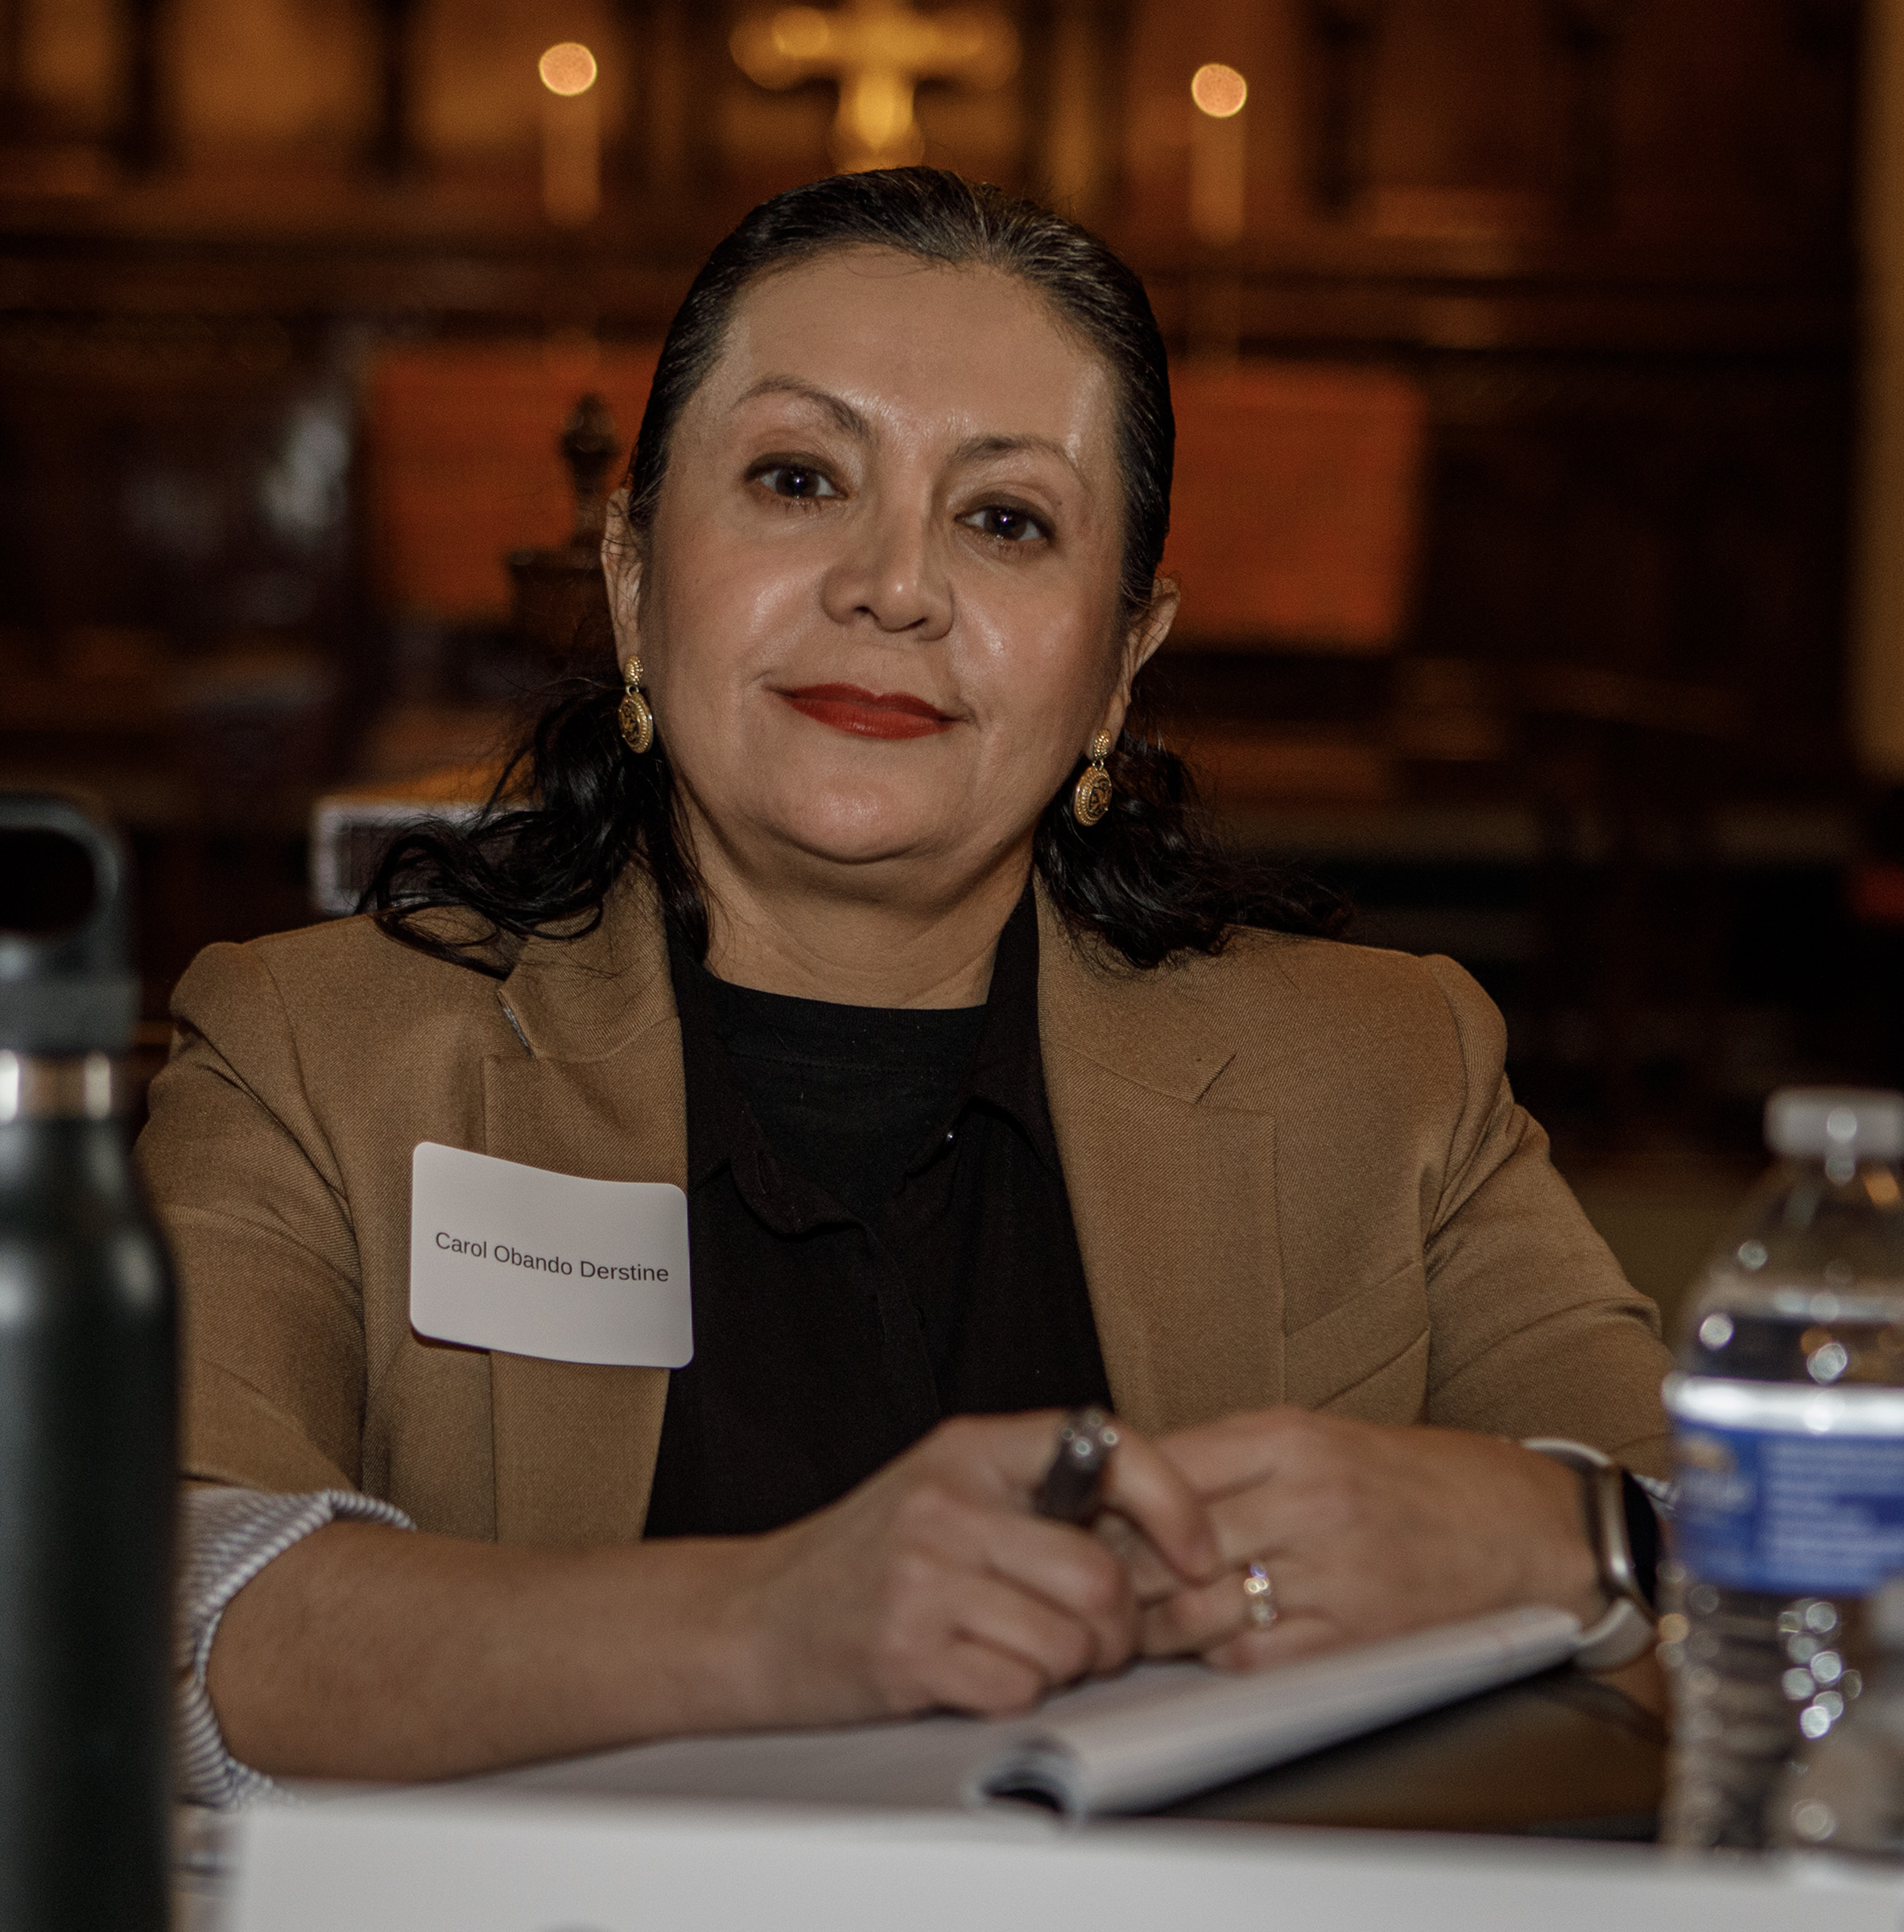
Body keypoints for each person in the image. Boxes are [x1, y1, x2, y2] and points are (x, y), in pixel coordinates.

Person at [141, 168, 1672, 1807]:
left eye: (1004, 519)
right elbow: (157, 1603)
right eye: (798, 479)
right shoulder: (316, 1053)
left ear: (1121, 659)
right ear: (634, 580)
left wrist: (1562, 1534)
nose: (893, 586)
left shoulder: (1386, 1071)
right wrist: (768, 1627)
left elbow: (1782, 1574)